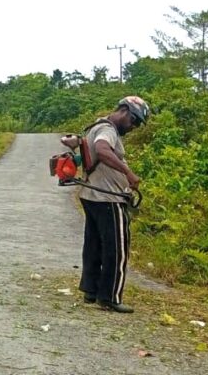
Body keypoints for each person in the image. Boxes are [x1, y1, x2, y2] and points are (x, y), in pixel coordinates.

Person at [78, 96, 150, 314]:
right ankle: (110, 296)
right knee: (117, 250)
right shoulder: (108, 130)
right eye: (134, 122)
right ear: (125, 112)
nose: (134, 127)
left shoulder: (97, 125)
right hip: (108, 197)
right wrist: (127, 172)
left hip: (92, 194)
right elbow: (101, 149)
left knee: (94, 245)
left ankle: (90, 290)